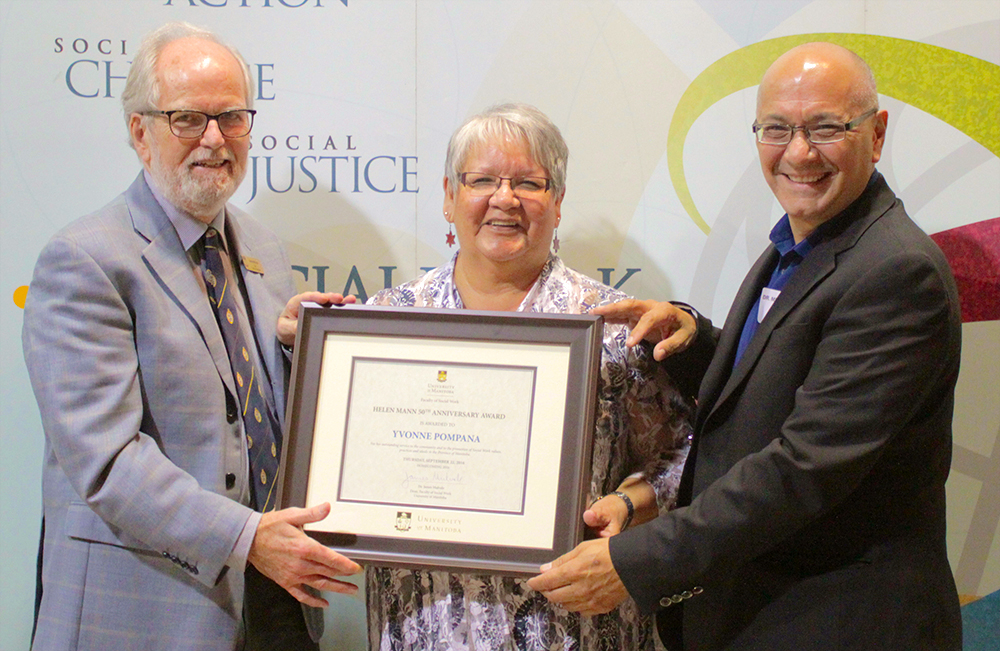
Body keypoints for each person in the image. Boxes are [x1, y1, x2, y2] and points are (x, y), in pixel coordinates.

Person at [528, 42, 963, 650]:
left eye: (826, 127)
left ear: (877, 133)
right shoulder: (801, 243)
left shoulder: (895, 272)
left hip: (843, 620)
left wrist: (639, 560)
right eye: (777, 129)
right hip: (768, 613)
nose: (799, 152)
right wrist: (695, 342)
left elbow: (804, 466)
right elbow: (782, 380)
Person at [22, 22, 360, 651]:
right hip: (147, 611)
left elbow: (240, 405)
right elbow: (108, 461)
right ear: (139, 132)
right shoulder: (85, 260)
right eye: (187, 119)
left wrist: (294, 352)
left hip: (275, 604)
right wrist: (247, 539)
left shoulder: (260, 247)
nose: (214, 138)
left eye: (231, 117)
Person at [364, 103, 694, 650]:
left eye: (529, 183)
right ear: (449, 196)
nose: (504, 198)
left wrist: (632, 505)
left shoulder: (614, 326)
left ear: (558, 203)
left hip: (574, 627)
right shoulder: (388, 320)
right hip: (421, 626)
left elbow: (684, 455)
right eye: (483, 180)